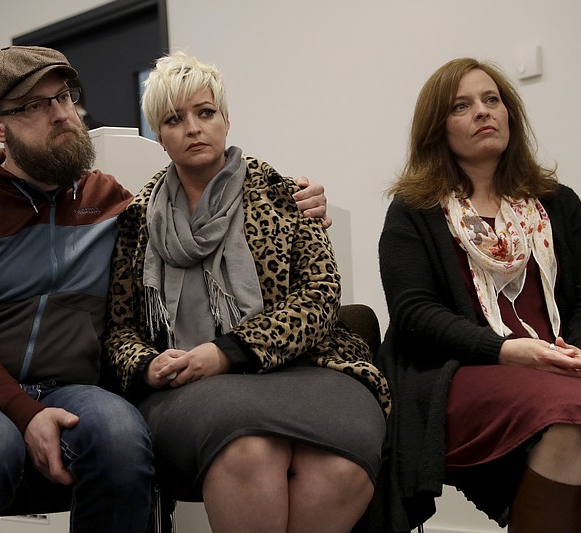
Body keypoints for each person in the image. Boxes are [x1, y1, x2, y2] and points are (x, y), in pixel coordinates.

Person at [0, 45, 332, 533]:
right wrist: (24, 414)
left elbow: (193, 221)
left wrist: (300, 199)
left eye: (64, 96)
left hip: (69, 389)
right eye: (36, 106)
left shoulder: (112, 201)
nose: (62, 114)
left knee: (124, 436)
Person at [106, 51, 391, 533]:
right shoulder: (136, 219)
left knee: (340, 465)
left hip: (312, 367)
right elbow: (120, 328)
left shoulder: (283, 192)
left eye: (205, 112)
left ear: (226, 120)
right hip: (188, 386)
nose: (193, 128)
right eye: (174, 119)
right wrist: (146, 363)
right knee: (251, 450)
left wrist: (230, 351)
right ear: (158, 134)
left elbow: (321, 296)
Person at [376, 57, 581, 533]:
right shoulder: (415, 210)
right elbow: (414, 314)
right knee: (564, 426)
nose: (483, 112)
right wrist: (506, 350)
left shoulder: (558, 202)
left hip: (562, 367)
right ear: (438, 128)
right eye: (462, 105)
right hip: (462, 370)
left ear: (509, 113)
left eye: (492, 100)